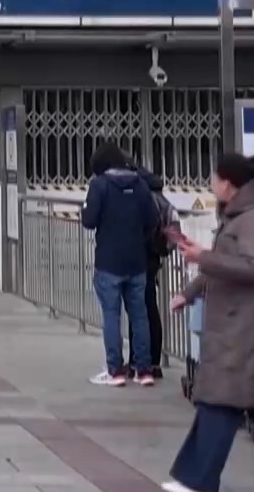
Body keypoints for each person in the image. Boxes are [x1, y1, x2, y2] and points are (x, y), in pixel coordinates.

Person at [162, 153, 254, 492]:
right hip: (237, 325)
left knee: (222, 401)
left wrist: (203, 257)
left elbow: (253, 267)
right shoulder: (241, 217)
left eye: (215, 178)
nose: (211, 184)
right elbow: (224, 264)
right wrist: (189, 292)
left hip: (246, 329)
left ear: (228, 183)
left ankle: (196, 480)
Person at [81, 143, 158, 386]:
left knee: (111, 315)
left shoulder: (99, 185)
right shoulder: (140, 184)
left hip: (108, 261)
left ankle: (115, 370)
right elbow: (152, 218)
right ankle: (144, 370)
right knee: (139, 315)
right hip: (137, 260)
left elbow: (89, 220)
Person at [135, 169, 179, 382]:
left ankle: (140, 361)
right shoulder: (165, 202)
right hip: (153, 259)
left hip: (141, 257)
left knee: (139, 310)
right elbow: (173, 237)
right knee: (150, 307)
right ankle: (154, 362)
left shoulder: (145, 200)